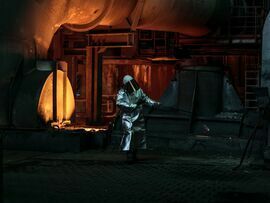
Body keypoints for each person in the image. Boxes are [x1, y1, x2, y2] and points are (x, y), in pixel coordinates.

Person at [116, 75, 160, 162]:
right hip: (128, 117)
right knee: (129, 134)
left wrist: (155, 103)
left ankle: (134, 154)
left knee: (137, 135)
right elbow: (120, 103)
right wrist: (133, 106)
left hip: (138, 116)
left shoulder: (138, 90)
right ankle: (129, 154)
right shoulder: (122, 92)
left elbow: (145, 99)